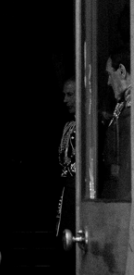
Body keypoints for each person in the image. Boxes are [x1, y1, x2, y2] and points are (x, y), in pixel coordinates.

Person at [101, 48, 131, 200]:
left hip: (123, 193)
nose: (108, 82)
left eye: (109, 75)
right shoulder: (122, 105)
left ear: (121, 71)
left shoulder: (130, 110)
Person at [56, 78, 76, 237]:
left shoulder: (90, 123)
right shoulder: (68, 123)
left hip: (78, 189)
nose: (65, 100)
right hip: (67, 187)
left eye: (70, 95)